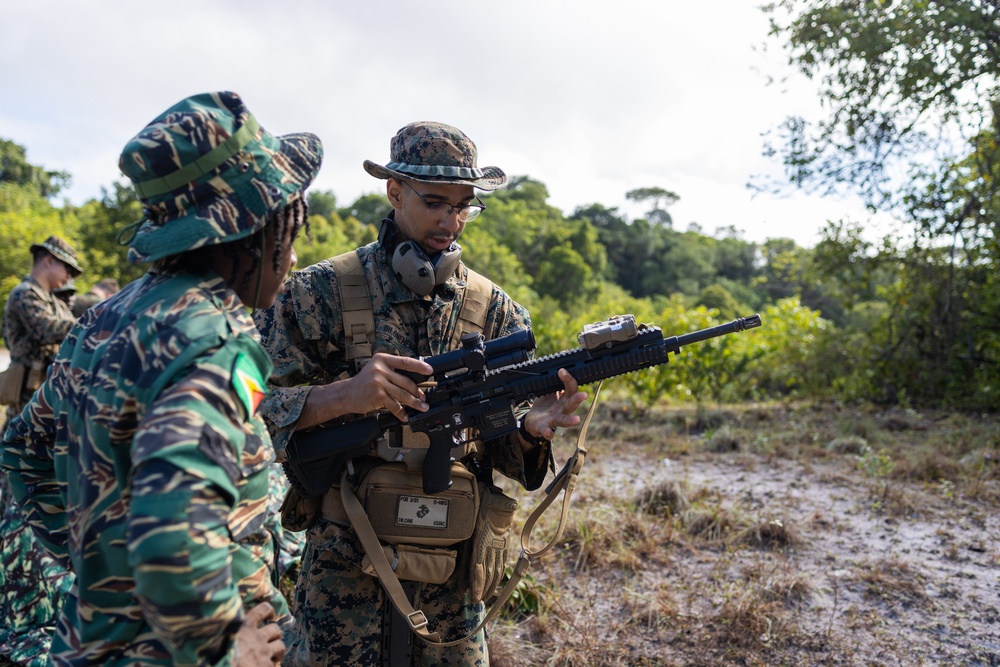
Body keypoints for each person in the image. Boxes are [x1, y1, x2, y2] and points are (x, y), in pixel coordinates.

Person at [1, 90, 323, 666]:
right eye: (289, 226)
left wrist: (99, 566)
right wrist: (229, 651)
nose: (294, 254)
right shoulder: (215, 343)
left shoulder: (106, 319)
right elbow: (172, 532)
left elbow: (23, 451)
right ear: (251, 230)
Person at [253, 121, 587, 666]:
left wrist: (529, 429)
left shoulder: (495, 309)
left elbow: (504, 448)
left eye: (464, 206)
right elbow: (250, 409)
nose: (451, 221)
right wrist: (344, 398)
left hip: (453, 571)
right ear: (393, 191)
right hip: (347, 563)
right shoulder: (317, 293)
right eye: (435, 202)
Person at [0, 235, 82, 666]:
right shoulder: (26, 295)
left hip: (47, 416)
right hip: (25, 417)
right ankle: (17, 587)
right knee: (17, 510)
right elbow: (52, 331)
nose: (67, 277)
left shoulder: (51, 297)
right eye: (65, 268)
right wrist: (99, 315)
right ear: (47, 261)